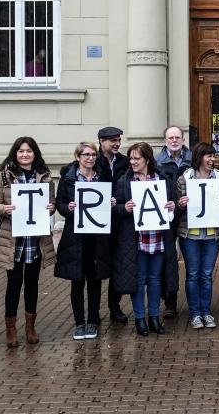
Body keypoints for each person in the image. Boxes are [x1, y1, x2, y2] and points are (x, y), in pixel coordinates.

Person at [0, 137, 55, 348]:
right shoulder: (4, 176)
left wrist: (50, 208)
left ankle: (30, 326)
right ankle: (10, 328)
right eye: (20, 151)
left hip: (35, 239)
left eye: (28, 151)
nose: (24, 154)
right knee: (13, 284)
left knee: (32, 284)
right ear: (15, 153)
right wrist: (3, 209)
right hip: (13, 240)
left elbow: (51, 204)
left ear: (35, 154)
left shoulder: (45, 177)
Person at [114, 143, 177, 336]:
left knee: (156, 279)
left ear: (147, 159)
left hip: (158, 237)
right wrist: (124, 208)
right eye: (131, 158)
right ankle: (140, 318)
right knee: (139, 279)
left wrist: (172, 206)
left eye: (136, 158)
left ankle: (154, 317)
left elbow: (174, 203)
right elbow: (115, 208)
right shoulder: (125, 181)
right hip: (136, 239)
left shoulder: (162, 179)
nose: (132, 162)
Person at [54, 142, 114, 341]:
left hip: (97, 236)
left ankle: (93, 320)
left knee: (95, 280)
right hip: (76, 237)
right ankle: (79, 322)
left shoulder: (103, 175)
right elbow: (59, 203)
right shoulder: (69, 178)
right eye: (86, 154)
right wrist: (67, 208)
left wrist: (111, 202)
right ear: (78, 157)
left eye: (93, 154)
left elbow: (109, 198)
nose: (90, 158)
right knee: (77, 281)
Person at [176, 142, 219, 329]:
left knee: (206, 274)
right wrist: (181, 203)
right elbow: (177, 207)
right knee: (192, 274)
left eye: (213, 156)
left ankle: (206, 311)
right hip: (190, 235)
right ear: (199, 157)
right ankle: (195, 313)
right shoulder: (185, 178)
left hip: (212, 235)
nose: (212, 160)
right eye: (209, 156)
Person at [96, 126, 131, 323]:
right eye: (112, 140)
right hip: (98, 222)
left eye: (118, 140)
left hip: (118, 221)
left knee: (117, 266)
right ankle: (94, 309)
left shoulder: (125, 162)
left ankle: (114, 306)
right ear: (102, 142)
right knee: (98, 267)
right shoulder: (94, 160)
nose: (117, 143)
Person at [154, 125, 189, 319]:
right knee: (167, 259)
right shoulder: (157, 162)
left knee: (191, 262)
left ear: (183, 140)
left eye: (177, 137)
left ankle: (193, 302)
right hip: (164, 216)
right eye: (171, 138)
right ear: (165, 141)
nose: (174, 141)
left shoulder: (192, 161)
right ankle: (169, 300)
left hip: (186, 216)